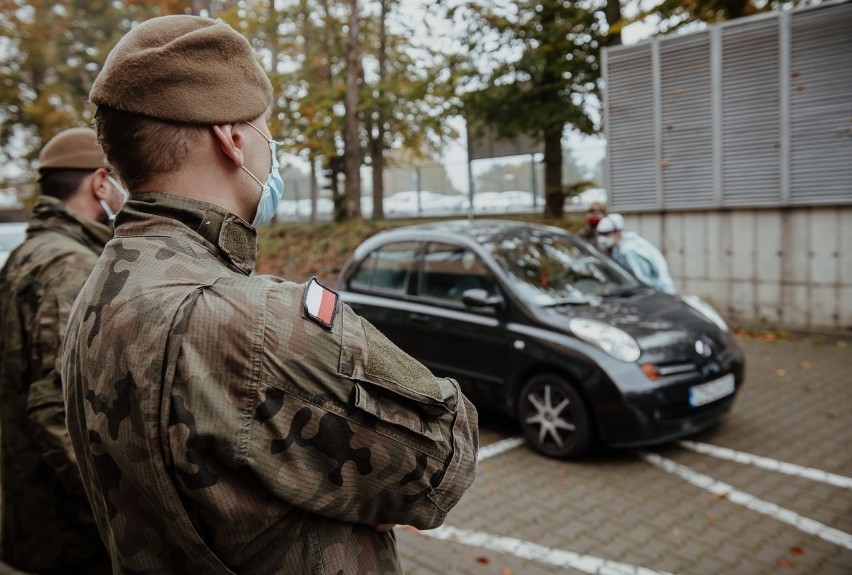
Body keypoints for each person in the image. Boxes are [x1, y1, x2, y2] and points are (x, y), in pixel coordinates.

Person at [61, 15, 479, 575]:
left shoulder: (94, 296)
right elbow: (445, 455)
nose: (272, 149)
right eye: (266, 130)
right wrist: (364, 495)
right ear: (232, 139)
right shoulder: (255, 320)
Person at [0, 127, 125, 574]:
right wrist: (118, 512)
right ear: (99, 183)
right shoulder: (72, 267)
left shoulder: (26, 253)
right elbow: (56, 406)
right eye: (118, 180)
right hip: (67, 534)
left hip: (30, 514)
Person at [596, 213, 677, 294]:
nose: (602, 238)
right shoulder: (618, 248)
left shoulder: (630, 250)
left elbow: (644, 282)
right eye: (601, 234)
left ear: (617, 232)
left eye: (606, 234)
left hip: (658, 294)